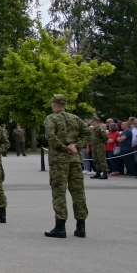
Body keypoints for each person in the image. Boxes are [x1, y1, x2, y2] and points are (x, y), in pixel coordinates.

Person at [44, 94, 90, 238]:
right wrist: (76, 146)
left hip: (59, 160)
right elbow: (88, 135)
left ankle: (60, 226)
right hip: (75, 159)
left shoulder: (51, 118)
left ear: (53, 104)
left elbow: (51, 137)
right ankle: (81, 227)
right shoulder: (75, 118)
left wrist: (64, 148)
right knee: (78, 192)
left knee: (59, 192)